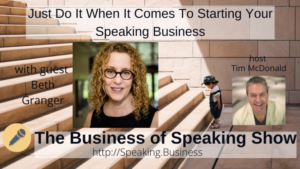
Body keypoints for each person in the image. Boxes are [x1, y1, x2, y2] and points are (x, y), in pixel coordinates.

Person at [83, 43, 158, 128]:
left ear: (134, 78)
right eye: (110, 71)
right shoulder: (91, 119)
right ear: (101, 76)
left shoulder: (155, 118)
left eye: (126, 72)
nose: (118, 81)